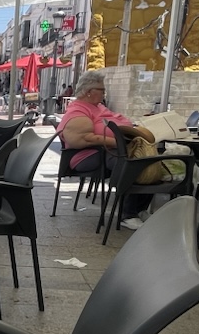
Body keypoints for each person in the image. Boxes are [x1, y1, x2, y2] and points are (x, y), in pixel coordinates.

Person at [57, 70, 155, 230]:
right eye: (102, 90)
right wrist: (119, 143)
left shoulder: (97, 107)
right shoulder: (78, 111)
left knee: (150, 161)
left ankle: (139, 209)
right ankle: (128, 213)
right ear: (89, 92)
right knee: (131, 164)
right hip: (88, 155)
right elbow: (83, 139)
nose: (104, 93)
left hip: (109, 150)